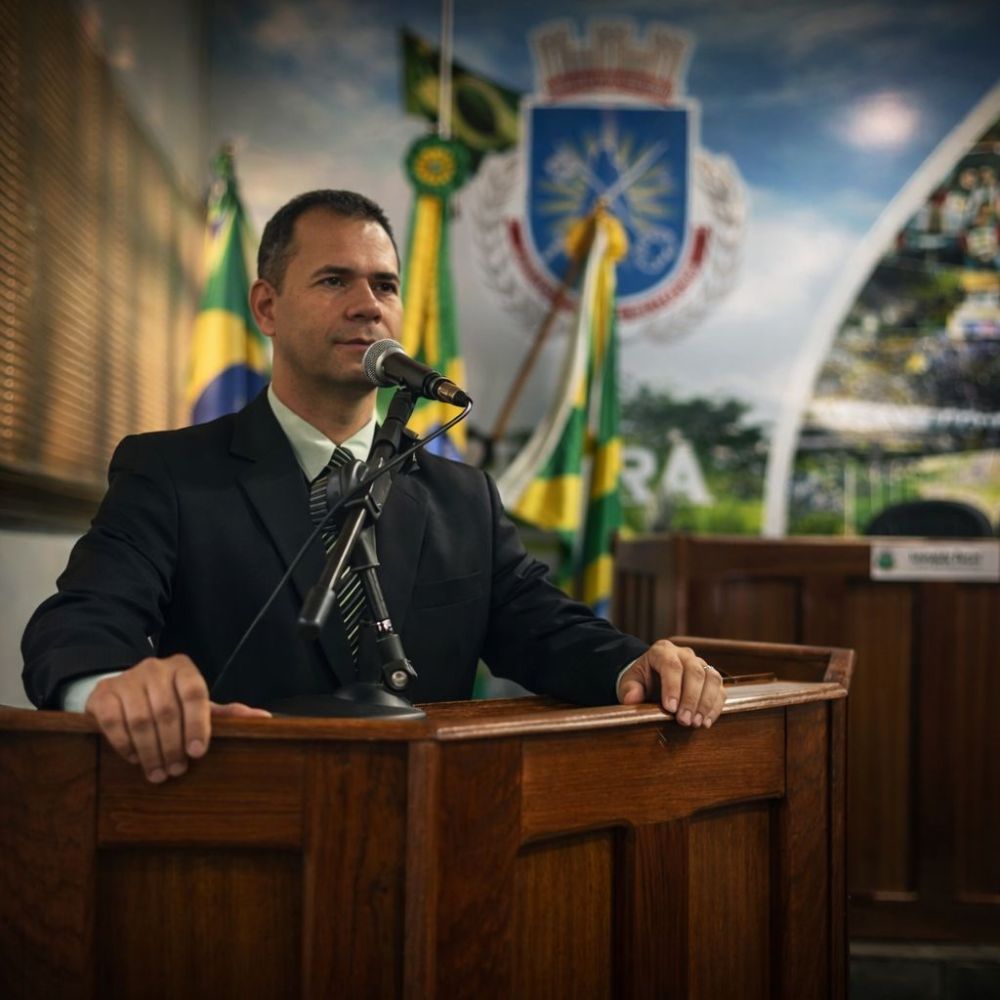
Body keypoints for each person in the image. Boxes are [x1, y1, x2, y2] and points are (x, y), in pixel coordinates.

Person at [22, 189, 726, 783]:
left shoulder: (464, 499)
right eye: (335, 281)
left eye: (385, 285)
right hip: (240, 817)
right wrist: (115, 685)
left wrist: (633, 662)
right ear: (266, 307)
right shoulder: (170, 472)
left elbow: (545, 630)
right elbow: (79, 621)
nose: (368, 305)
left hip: (432, 822)